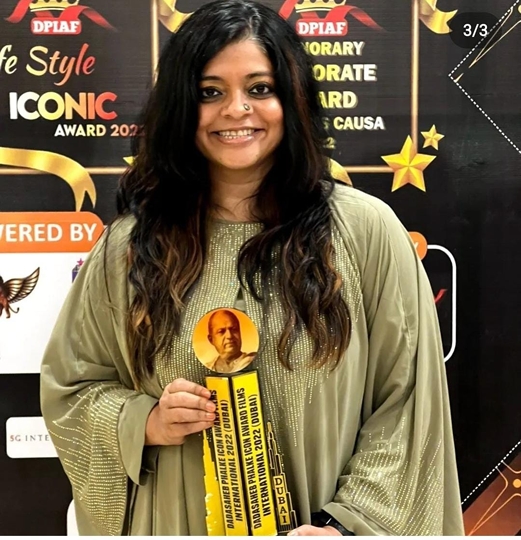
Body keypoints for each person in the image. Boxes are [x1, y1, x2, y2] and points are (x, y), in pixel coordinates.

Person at [40, 0, 465, 536]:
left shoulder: (365, 232)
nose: (237, 109)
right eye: (209, 92)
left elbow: (407, 405)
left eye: (260, 88)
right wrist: (144, 422)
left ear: (292, 99)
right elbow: (73, 390)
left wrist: (345, 526)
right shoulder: (130, 246)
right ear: (180, 106)